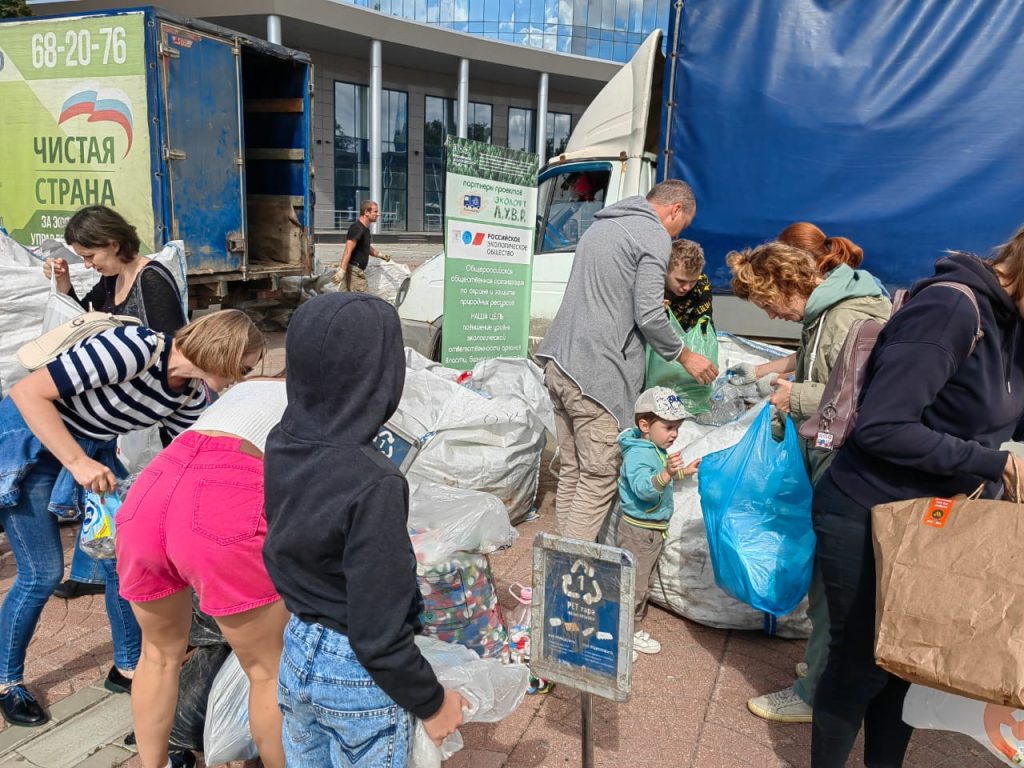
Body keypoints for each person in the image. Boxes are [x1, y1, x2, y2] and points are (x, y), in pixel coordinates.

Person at [809, 230, 1024, 767]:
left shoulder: (1016, 324)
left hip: (936, 521)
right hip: (869, 511)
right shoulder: (951, 310)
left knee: (908, 669)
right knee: (860, 667)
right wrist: (996, 463)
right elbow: (882, 428)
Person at [0, 309, 262, 727]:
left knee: (125, 563)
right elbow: (27, 394)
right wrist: (78, 462)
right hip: (32, 440)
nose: (238, 380)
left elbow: (195, 457)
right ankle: (6, 681)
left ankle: (128, 666)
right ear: (224, 352)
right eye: (242, 369)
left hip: (88, 454)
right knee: (41, 573)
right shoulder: (134, 348)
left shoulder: (187, 395)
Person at [263, 293, 465, 767]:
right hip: (357, 671)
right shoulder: (374, 480)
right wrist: (431, 702)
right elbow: (378, 630)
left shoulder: (283, 439)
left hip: (296, 649)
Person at [727, 239, 890, 724]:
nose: (771, 316)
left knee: (832, 586)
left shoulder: (845, 317)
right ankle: (824, 665)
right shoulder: (828, 312)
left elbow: (863, 399)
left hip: (847, 468)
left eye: (768, 303)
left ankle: (814, 693)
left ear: (786, 282)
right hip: (836, 461)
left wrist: (794, 397)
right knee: (834, 585)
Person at [116, 379, 289, 768]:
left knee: (157, 655)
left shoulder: (250, 389)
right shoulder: (323, 400)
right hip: (226, 494)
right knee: (268, 670)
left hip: (152, 489)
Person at [536, 179, 716, 543]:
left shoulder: (602, 226)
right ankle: (567, 576)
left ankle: (555, 569)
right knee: (599, 477)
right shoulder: (652, 235)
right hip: (597, 376)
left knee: (573, 470)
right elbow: (649, 315)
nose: (679, 232)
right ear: (674, 210)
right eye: (683, 224)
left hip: (560, 362)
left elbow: (611, 296)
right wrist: (685, 356)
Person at [44, 205, 187, 601]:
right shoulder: (113, 279)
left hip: (139, 410)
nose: (89, 264)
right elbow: (84, 314)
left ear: (113, 242)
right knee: (104, 490)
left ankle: (135, 571)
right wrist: (65, 282)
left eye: (90, 256)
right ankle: (97, 567)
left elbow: (173, 346)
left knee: (116, 487)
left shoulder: (152, 279)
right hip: (114, 408)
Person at [616, 387, 700, 659]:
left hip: (651, 531)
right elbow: (644, 488)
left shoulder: (654, 447)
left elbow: (659, 480)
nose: (674, 433)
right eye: (668, 427)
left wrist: (682, 473)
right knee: (633, 585)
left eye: (678, 427)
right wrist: (666, 473)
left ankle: (632, 626)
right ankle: (622, 635)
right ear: (644, 425)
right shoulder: (639, 454)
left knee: (643, 582)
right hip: (638, 532)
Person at [333, 199, 384, 293]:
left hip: (354, 271)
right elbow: (348, 250)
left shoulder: (365, 229)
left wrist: (380, 255)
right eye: (375, 211)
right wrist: (342, 271)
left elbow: (366, 247)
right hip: (354, 272)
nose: (378, 214)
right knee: (364, 302)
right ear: (366, 212)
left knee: (345, 300)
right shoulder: (357, 228)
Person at [665, 238, 714, 332]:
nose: (686, 287)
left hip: (684, 336)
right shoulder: (652, 284)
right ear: (665, 270)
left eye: (693, 281)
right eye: (680, 281)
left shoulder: (701, 284)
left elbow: (704, 326)